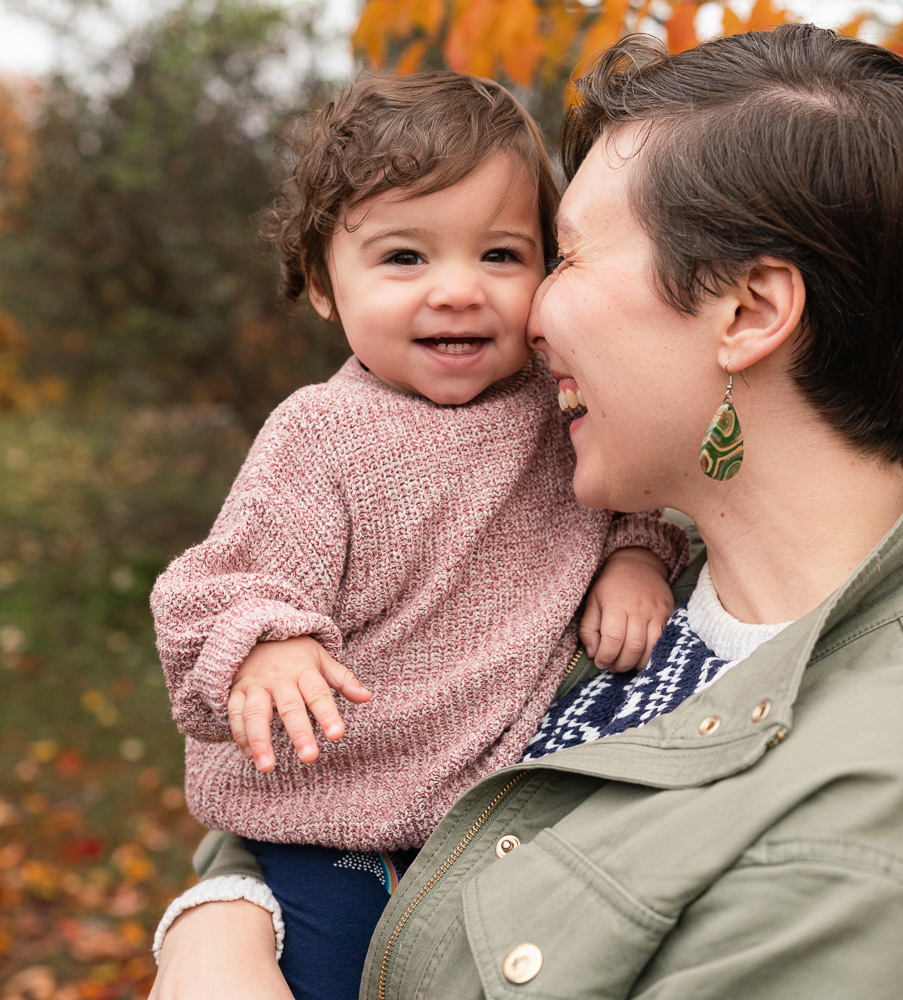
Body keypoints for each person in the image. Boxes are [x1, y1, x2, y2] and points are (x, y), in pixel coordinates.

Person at [152, 26, 903, 1000]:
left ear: (745, 312)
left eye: (556, 258)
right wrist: (222, 915)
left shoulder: (876, 862)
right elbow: (383, 742)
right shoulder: (663, 568)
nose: (526, 314)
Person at [147, 71, 688, 1000]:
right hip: (326, 820)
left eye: (501, 256)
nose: (457, 292)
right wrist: (266, 646)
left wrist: (638, 554)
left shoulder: (553, 405)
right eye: (405, 258)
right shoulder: (323, 436)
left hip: (483, 819)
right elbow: (217, 588)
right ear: (322, 282)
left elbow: (634, 484)